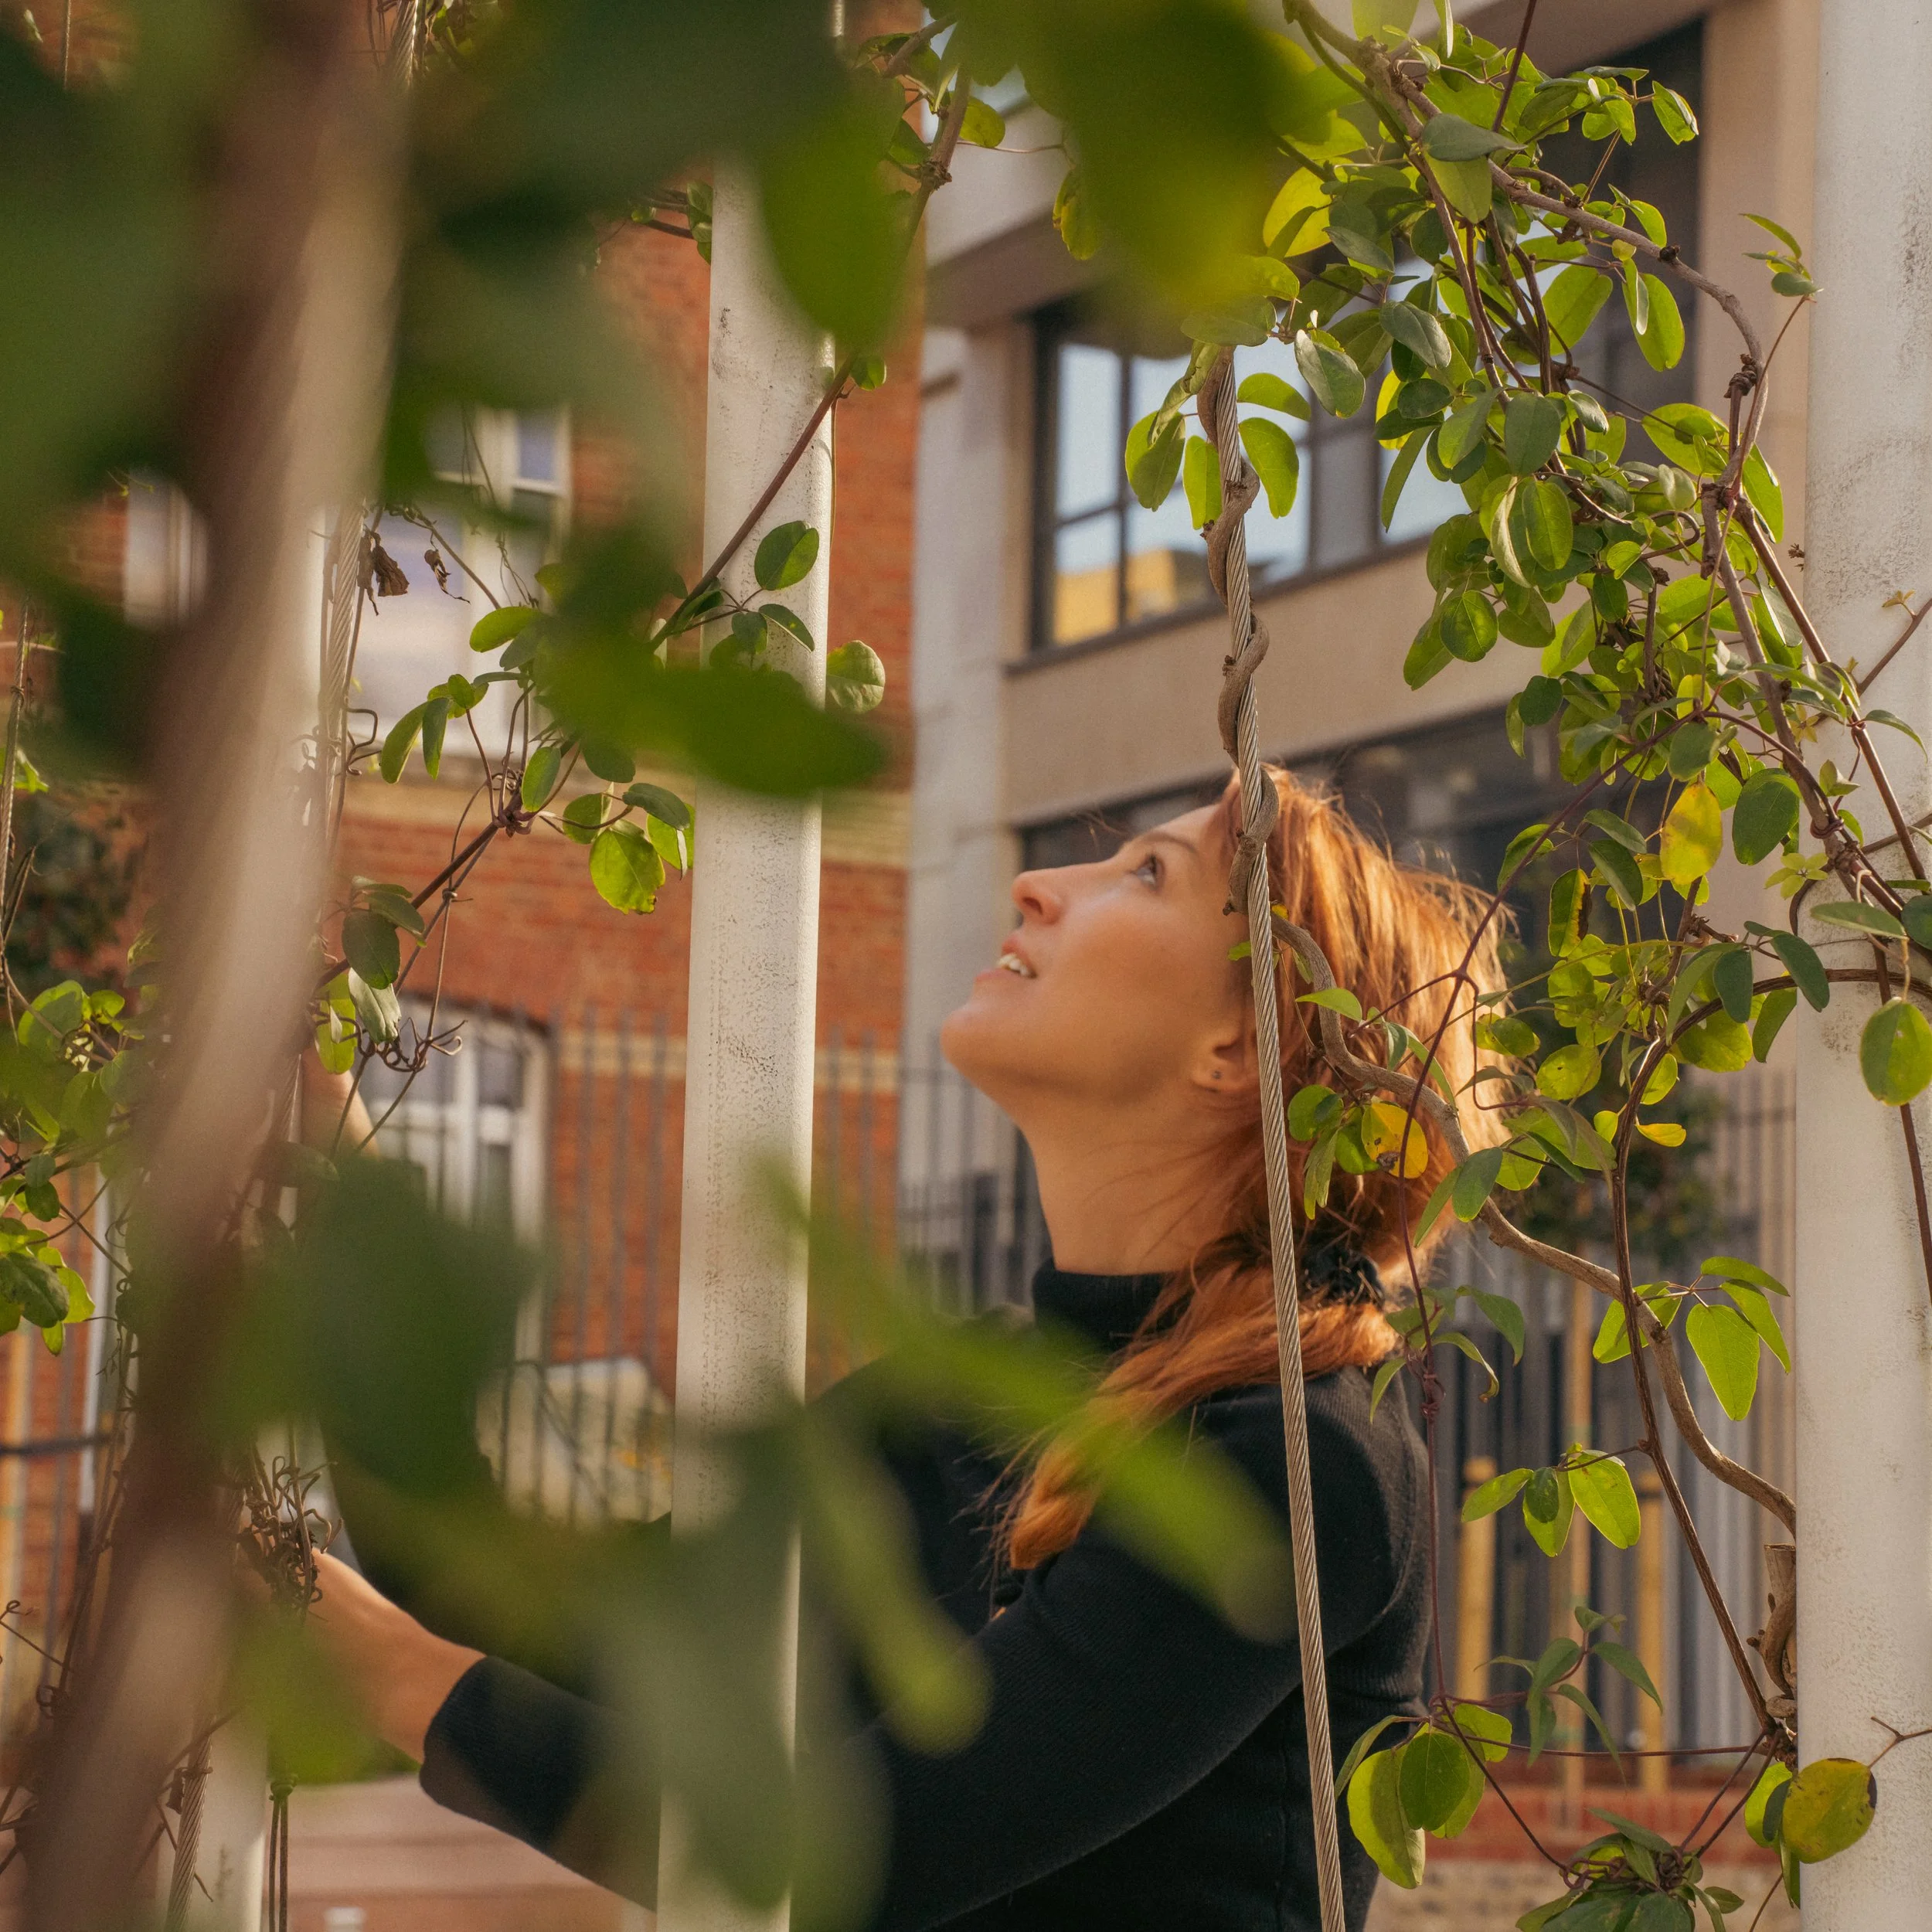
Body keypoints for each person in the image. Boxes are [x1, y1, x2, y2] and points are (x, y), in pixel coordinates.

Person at [307, 765, 1505, 1931]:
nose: (1040, 883)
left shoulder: (1302, 1461)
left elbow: (849, 1860)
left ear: (1237, 1053)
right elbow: (538, 1622)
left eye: (1146, 875)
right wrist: (320, 1133)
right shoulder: (950, 1409)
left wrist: (383, 1669)